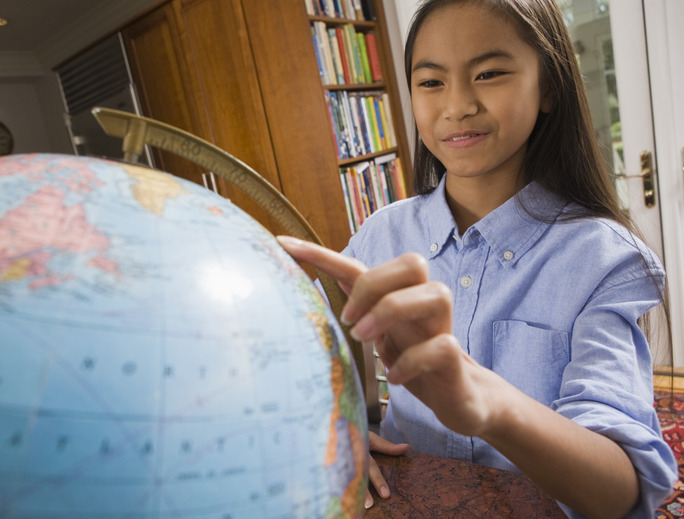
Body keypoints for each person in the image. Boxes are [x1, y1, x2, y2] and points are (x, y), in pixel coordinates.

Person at [277, 0, 678, 517]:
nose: (458, 104)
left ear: (549, 87)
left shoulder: (602, 260)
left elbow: (621, 489)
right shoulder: (383, 232)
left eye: (488, 73)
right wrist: (331, 426)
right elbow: (291, 352)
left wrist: (491, 405)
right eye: (431, 82)